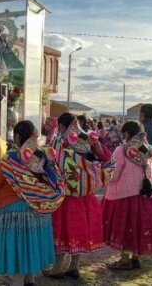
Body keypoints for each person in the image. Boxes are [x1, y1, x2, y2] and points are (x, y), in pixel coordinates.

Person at [0, 120, 64, 286]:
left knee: (17, 250)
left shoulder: (10, 160)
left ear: (16, 137)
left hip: (13, 211)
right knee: (31, 245)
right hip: (38, 210)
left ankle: (18, 282)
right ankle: (30, 280)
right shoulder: (42, 157)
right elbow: (53, 180)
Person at [44, 113, 108, 280]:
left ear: (63, 126)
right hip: (85, 194)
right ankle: (74, 266)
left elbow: (51, 164)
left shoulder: (60, 141)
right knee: (79, 229)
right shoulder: (88, 140)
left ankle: (57, 268)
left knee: (62, 229)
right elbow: (105, 157)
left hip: (65, 195)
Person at [102, 122, 152, 270]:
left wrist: (107, 181)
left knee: (126, 226)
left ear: (126, 134)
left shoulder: (121, 150)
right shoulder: (149, 149)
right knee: (137, 226)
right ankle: (135, 257)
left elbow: (114, 173)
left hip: (125, 195)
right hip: (145, 194)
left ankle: (125, 260)